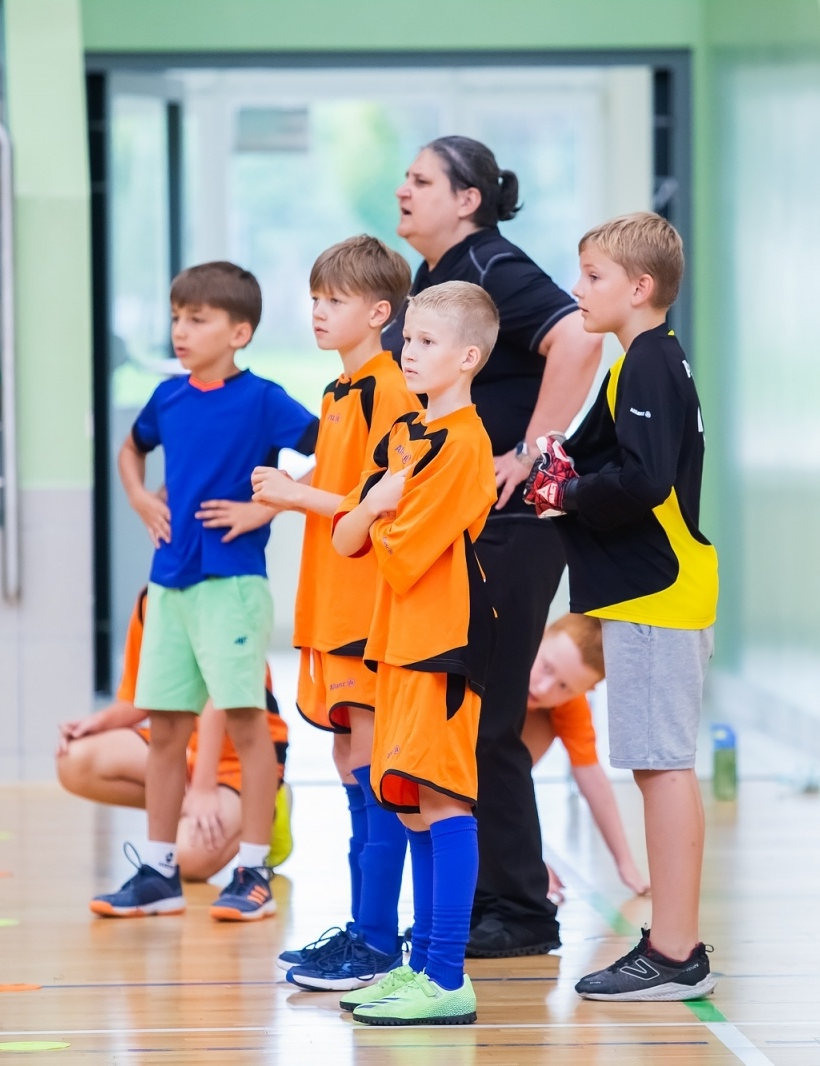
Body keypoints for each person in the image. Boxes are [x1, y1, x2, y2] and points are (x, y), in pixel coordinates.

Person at [384, 135, 603, 959]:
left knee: (491, 721)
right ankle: (484, 904)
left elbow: (578, 339)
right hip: (473, 525)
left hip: (511, 526)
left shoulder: (490, 265)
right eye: (403, 178)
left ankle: (519, 911)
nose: (402, 189)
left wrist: (531, 452)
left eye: (420, 180)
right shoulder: (435, 277)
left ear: (468, 197)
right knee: (467, 718)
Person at [526, 212, 718, 1001]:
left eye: (594, 276)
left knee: (664, 768)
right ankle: (671, 945)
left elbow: (643, 483)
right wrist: (556, 470)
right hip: (650, 594)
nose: (578, 290)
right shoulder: (634, 365)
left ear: (640, 289)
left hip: (659, 592)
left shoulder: (647, 366)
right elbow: (606, 460)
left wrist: (563, 489)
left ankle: (673, 954)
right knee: (657, 766)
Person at [92, 261, 318, 924]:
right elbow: (129, 450)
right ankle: (158, 874)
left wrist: (271, 507)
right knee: (166, 730)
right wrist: (138, 498)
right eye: (176, 318)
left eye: (198, 319)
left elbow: (333, 447)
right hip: (171, 583)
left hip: (233, 586)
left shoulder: (266, 399)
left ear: (239, 331)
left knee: (246, 726)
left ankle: (252, 871)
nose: (181, 331)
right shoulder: (168, 399)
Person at [249, 235, 421, 990]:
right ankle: (363, 929)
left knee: (375, 771)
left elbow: (387, 501)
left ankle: (378, 944)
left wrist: (293, 495)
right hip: (330, 612)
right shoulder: (336, 392)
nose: (319, 313)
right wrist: (277, 499)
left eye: (336, 301)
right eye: (315, 300)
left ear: (380, 313)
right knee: (349, 767)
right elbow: (339, 477)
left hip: (369, 611)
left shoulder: (392, 391)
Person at [332, 281, 498, 1026]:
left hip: (444, 644)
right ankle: (421, 968)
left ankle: (446, 974)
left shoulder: (464, 444)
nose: (410, 350)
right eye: (409, 339)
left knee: (443, 799)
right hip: (396, 644)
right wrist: (374, 503)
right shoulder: (410, 442)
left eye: (427, 342)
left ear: (467, 357)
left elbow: (395, 557)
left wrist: (375, 513)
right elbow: (348, 538)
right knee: (415, 808)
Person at [58, 588, 294, 886]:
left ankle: (267, 806)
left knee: (188, 860)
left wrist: (204, 787)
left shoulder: (224, 588)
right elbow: (138, 697)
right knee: (73, 759)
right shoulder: (151, 599)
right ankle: (186, 808)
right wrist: (97, 721)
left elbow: (218, 699)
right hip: (180, 748)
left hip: (237, 759)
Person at [522, 613, 649, 900]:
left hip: (489, 786)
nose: (544, 688)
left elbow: (590, 774)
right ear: (540, 636)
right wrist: (524, 860)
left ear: (587, 691)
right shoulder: (504, 650)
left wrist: (625, 863)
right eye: (545, 667)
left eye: (565, 686)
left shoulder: (567, 704)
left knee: (543, 725)